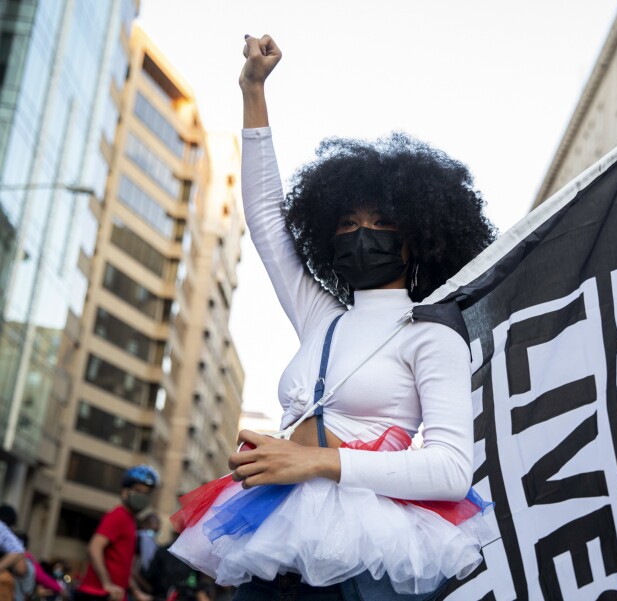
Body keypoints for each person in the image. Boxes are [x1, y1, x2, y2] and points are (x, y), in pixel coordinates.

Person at [169, 33, 496, 600]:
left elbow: (450, 471)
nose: (359, 234)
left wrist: (315, 461)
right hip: (275, 522)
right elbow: (268, 221)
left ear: (417, 236)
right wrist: (253, 92)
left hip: (366, 539)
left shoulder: (432, 333)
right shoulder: (320, 315)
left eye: (379, 222)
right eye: (346, 223)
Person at [75, 466, 159, 601]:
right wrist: (106, 583)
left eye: (146, 493)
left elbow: (123, 565)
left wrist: (136, 592)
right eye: (138, 491)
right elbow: (94, 547)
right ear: (125, 491)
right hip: (98, 594)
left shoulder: (130, 520)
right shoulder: (118, 515)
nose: (142, 496)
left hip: (116, 595)